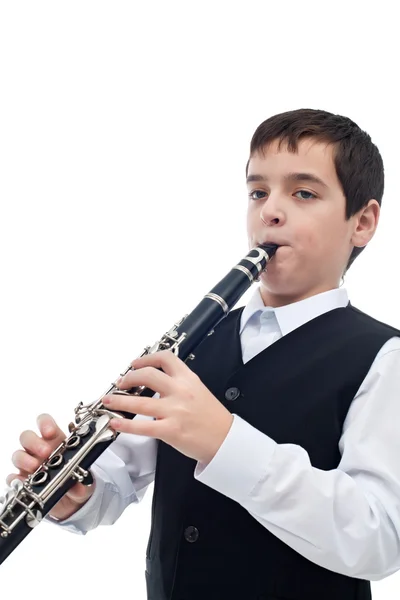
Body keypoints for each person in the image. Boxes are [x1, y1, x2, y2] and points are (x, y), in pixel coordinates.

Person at [6, 108, 400, 600]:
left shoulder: (384, 357)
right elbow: (118, 478)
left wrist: (224, 441)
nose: (269, 211)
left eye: (303, 192)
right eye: (258, 192)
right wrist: (76, 493)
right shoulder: (198, 340)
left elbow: (379, 538)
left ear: (362, 222)